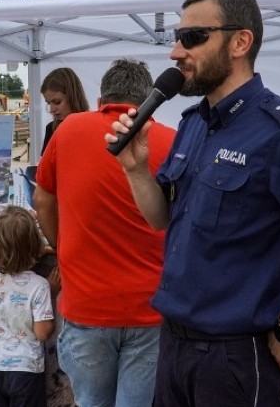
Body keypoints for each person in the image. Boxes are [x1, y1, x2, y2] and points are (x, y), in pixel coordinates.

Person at [107, 0, 280, 406]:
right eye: (176, 38)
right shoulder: (194, 123)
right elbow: (162, 217)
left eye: (192, 37)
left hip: (232, 358)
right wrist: (135, 169)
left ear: (240, 42)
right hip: (174, 344)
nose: (176, 52)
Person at [34, 59, 175, 407]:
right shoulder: (172, 140)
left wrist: (61, 246)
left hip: (87, 303)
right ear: (148, 101)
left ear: (101, 100)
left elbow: (42, 200)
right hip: (150, 306)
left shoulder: (69, 129)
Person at [0, 206, 54, 407]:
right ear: (35, 245)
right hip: (26, 370)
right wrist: (52, 293)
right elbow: (42, 332)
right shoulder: (40, 285)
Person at [39, 67, 90, 154]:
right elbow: (45, 162)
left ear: (72, 97)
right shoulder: (51, 129)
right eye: (49, 103)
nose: (51, 109)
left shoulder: (92, 128)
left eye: (57, 102)